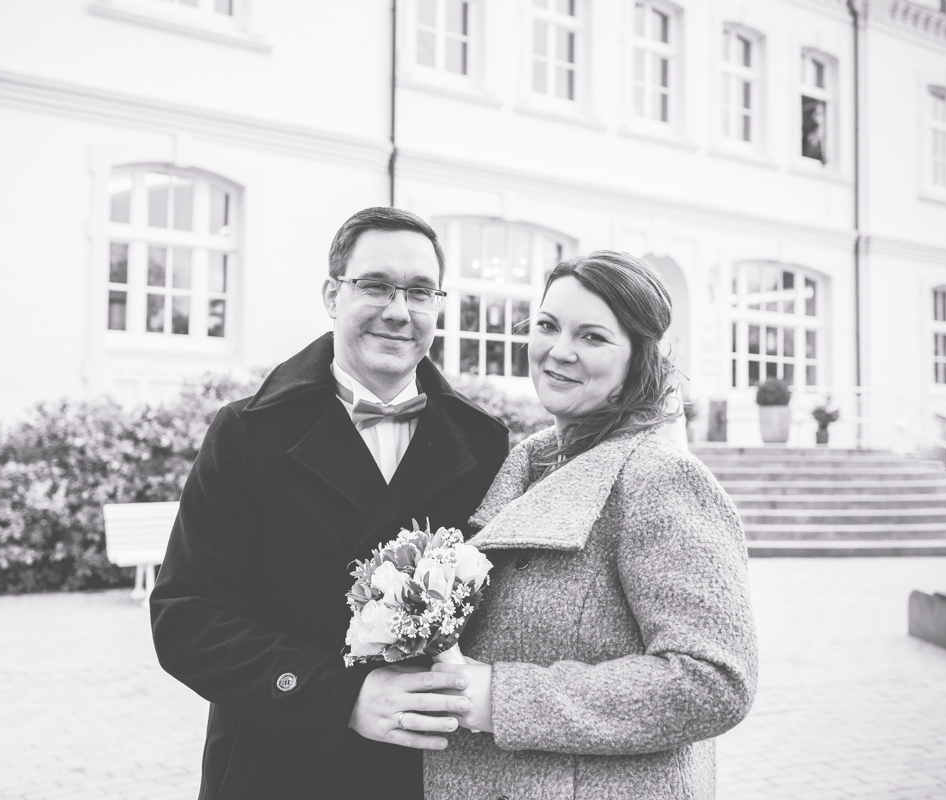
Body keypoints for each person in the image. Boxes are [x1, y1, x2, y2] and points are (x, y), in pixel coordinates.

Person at [150, 207, 509, 800]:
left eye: (420, 292)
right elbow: (186, 619)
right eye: (376, 285)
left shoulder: (484, 442)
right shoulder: (247, 433)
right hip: (279, 764)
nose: (399, 310)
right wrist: (338, 697)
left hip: (428, 775)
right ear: (332, 294)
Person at [424, 251, 758, 800]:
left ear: (638, 361)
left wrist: (502, 699)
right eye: (548, 326)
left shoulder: (659, 478)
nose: (559, 351)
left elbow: (715, 680)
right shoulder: (523, 462)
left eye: (593, 337)